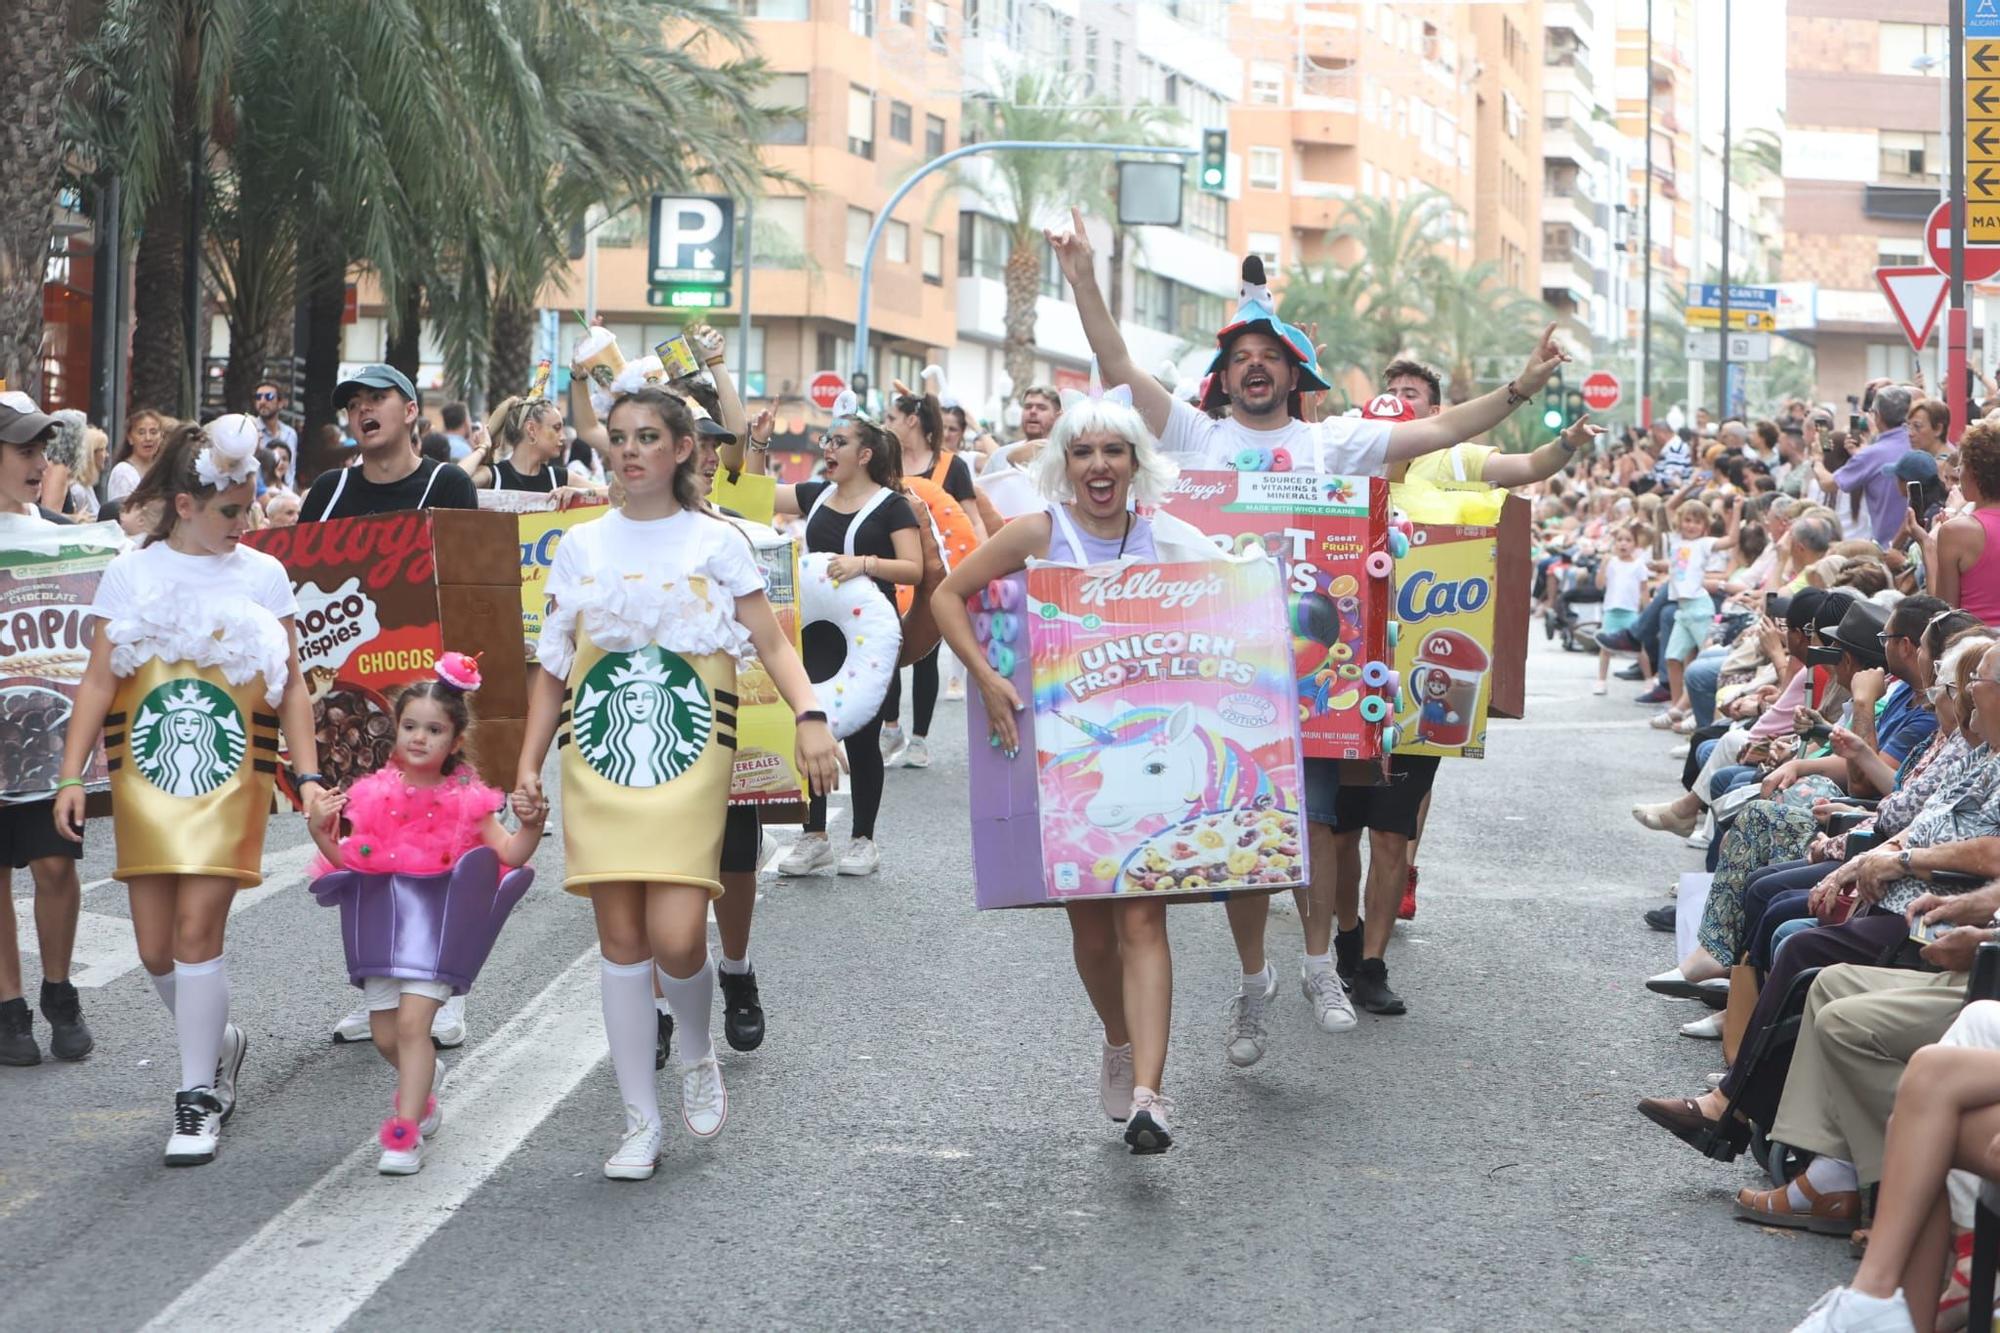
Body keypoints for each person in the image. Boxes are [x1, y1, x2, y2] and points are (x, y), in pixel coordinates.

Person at [1049, 205, 1566, 1041]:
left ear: (1296, 376)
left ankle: (1321, 967)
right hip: (1217, 676)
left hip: (1313, 679)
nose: (1256, 370)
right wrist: (1079, 274)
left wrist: (1523, 388)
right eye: (1242, 359)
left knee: (1317, 825)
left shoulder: (1334, 444)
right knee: (1246, 845)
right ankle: (1255, 983)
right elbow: (1115, 363)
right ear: (1226, 378)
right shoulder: (1194, 434)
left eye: (1271, 360)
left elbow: (1439, 428)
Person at [514, 385, 840, 1180]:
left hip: (692, 755)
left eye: (648, 436)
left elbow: (769, 638)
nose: (629, 452)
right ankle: (638, 1121)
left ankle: (695, 1047)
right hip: (596, 756)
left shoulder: (717, 542)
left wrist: (810, 712)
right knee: (621, 942)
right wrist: (526, 767)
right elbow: (552, 667)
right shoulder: (580, 545)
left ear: (683, 448)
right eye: (619, 437)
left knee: (678, 936)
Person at [931, 390, 1226, 1151]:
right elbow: (946, 595)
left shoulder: (1168, 540)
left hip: (1151, 768)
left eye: (1114, 451)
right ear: (1066, 464)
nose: (1099, 465)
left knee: (1143, 916)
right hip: (1066, 765)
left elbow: (1237, 593)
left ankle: (1152, 1098)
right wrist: (989, 678)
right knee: (1094, 933)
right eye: (1085, 451)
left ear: (1136, 464)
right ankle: (1118, 1039)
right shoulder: (1038, 532)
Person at [52, 416, 327, 1166]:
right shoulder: (131, 573)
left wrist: (307, 776)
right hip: (147, 781)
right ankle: (220, 1043)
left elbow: (294, 686)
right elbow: (99, 680)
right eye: (230, 510)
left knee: (199, 931)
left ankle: (197, 1093)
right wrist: (72, 774)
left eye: (249, 505)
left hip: (233, 778)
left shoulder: (265, 575)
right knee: (154, 949)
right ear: (184, 504)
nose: (246, 522)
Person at [305, 656, 545, 1175]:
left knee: (414, 1025)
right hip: (382, 930)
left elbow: (508, 854)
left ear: (455, 741)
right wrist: (322, 833)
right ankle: (425, 1087)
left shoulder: (468, 803)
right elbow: (352, 857)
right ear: (395, 732)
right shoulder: (373, 796)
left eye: (434, 729)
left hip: (436, 933)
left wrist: (529, 826)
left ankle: (403, 1133)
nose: (419, 738)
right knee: (388, 1036)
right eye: (410, 726)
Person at [769, 401, 923, 878]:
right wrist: (754, 443)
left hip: (870, 637)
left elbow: (914, 567)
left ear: (865, 455)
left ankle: (863, 839)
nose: (827, 448)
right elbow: (756, 492)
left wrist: (865, 564)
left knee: (860, 735)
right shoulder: (816, 494)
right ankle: (814, 837)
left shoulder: (893, 504)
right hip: (815, 631)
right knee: (813, 724)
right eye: (826, 441)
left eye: (839, 442)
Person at [0, 393, 94, 1066]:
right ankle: (9, 1009)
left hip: (45, 732)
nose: (39, 464)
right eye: (24, 451)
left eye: (42, 451)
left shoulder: (63, 534)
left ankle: (59, 992)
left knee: (55, 865)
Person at [880, 389, 984, 769]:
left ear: (912, 420)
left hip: (937, 572)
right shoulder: (882, 461)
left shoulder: (951, 466)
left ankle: (919, 738)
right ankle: (890, 727)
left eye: (891, 418)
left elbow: (971, 518)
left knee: (926, 653)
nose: (885, 425)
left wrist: (984, 563)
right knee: (885, 645)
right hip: (891, 567)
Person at [299, 365, 479, 523]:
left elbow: (465, 559)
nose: (363, 408)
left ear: (410, 411)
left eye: (377, 397)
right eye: (353, 404)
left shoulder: (448, 485)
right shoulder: (328, 490)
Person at [1929, 420, 2000, 621]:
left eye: (1961, 466)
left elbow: (1946, 613)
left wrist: (1928, 548)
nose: (1959, 473)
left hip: (1972, 645)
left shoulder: (1956, 531)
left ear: (1973, 472)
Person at [460, 396, 581, 502]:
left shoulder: (561, 478)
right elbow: (450, 482)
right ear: (531, 429)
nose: (563, 437)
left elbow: (600, 491)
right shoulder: (493, 476)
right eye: (556, 428)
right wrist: (483, 448)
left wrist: (580, 492)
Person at [974, 386, 1062, 519]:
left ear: (1058, 416)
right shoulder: (1001, 456)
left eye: (1041, 408)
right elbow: (979, 496)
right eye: (1028, 407)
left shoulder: (1065, 457)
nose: (1032, 412)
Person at [1597, 525, 1649, 694]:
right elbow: (1600, 585)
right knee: (1605, 648)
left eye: (1628, 540)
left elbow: (1644, 589)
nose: (1623, 544)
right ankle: (1601, 680)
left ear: (1635, 544)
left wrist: (1646, 611)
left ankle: (1649, 678)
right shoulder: (1611, 563)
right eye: (1619, 540)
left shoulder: (1639, 565)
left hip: (1630, 611)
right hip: (1612, 610)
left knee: (1639, 648)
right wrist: (1603, 566)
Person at [104, 408, 165, 502]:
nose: (148, 438)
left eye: (153, 432)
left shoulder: (162, 470)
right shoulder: (123, 472)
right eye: (141, 433)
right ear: (130, 438)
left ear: (161, 437)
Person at [251, 381, 299, 485]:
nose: (262, 401)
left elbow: (291, 470)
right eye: (258, 397)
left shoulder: (290, 434)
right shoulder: (250, 430)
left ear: (281, 403)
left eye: (269, 396)